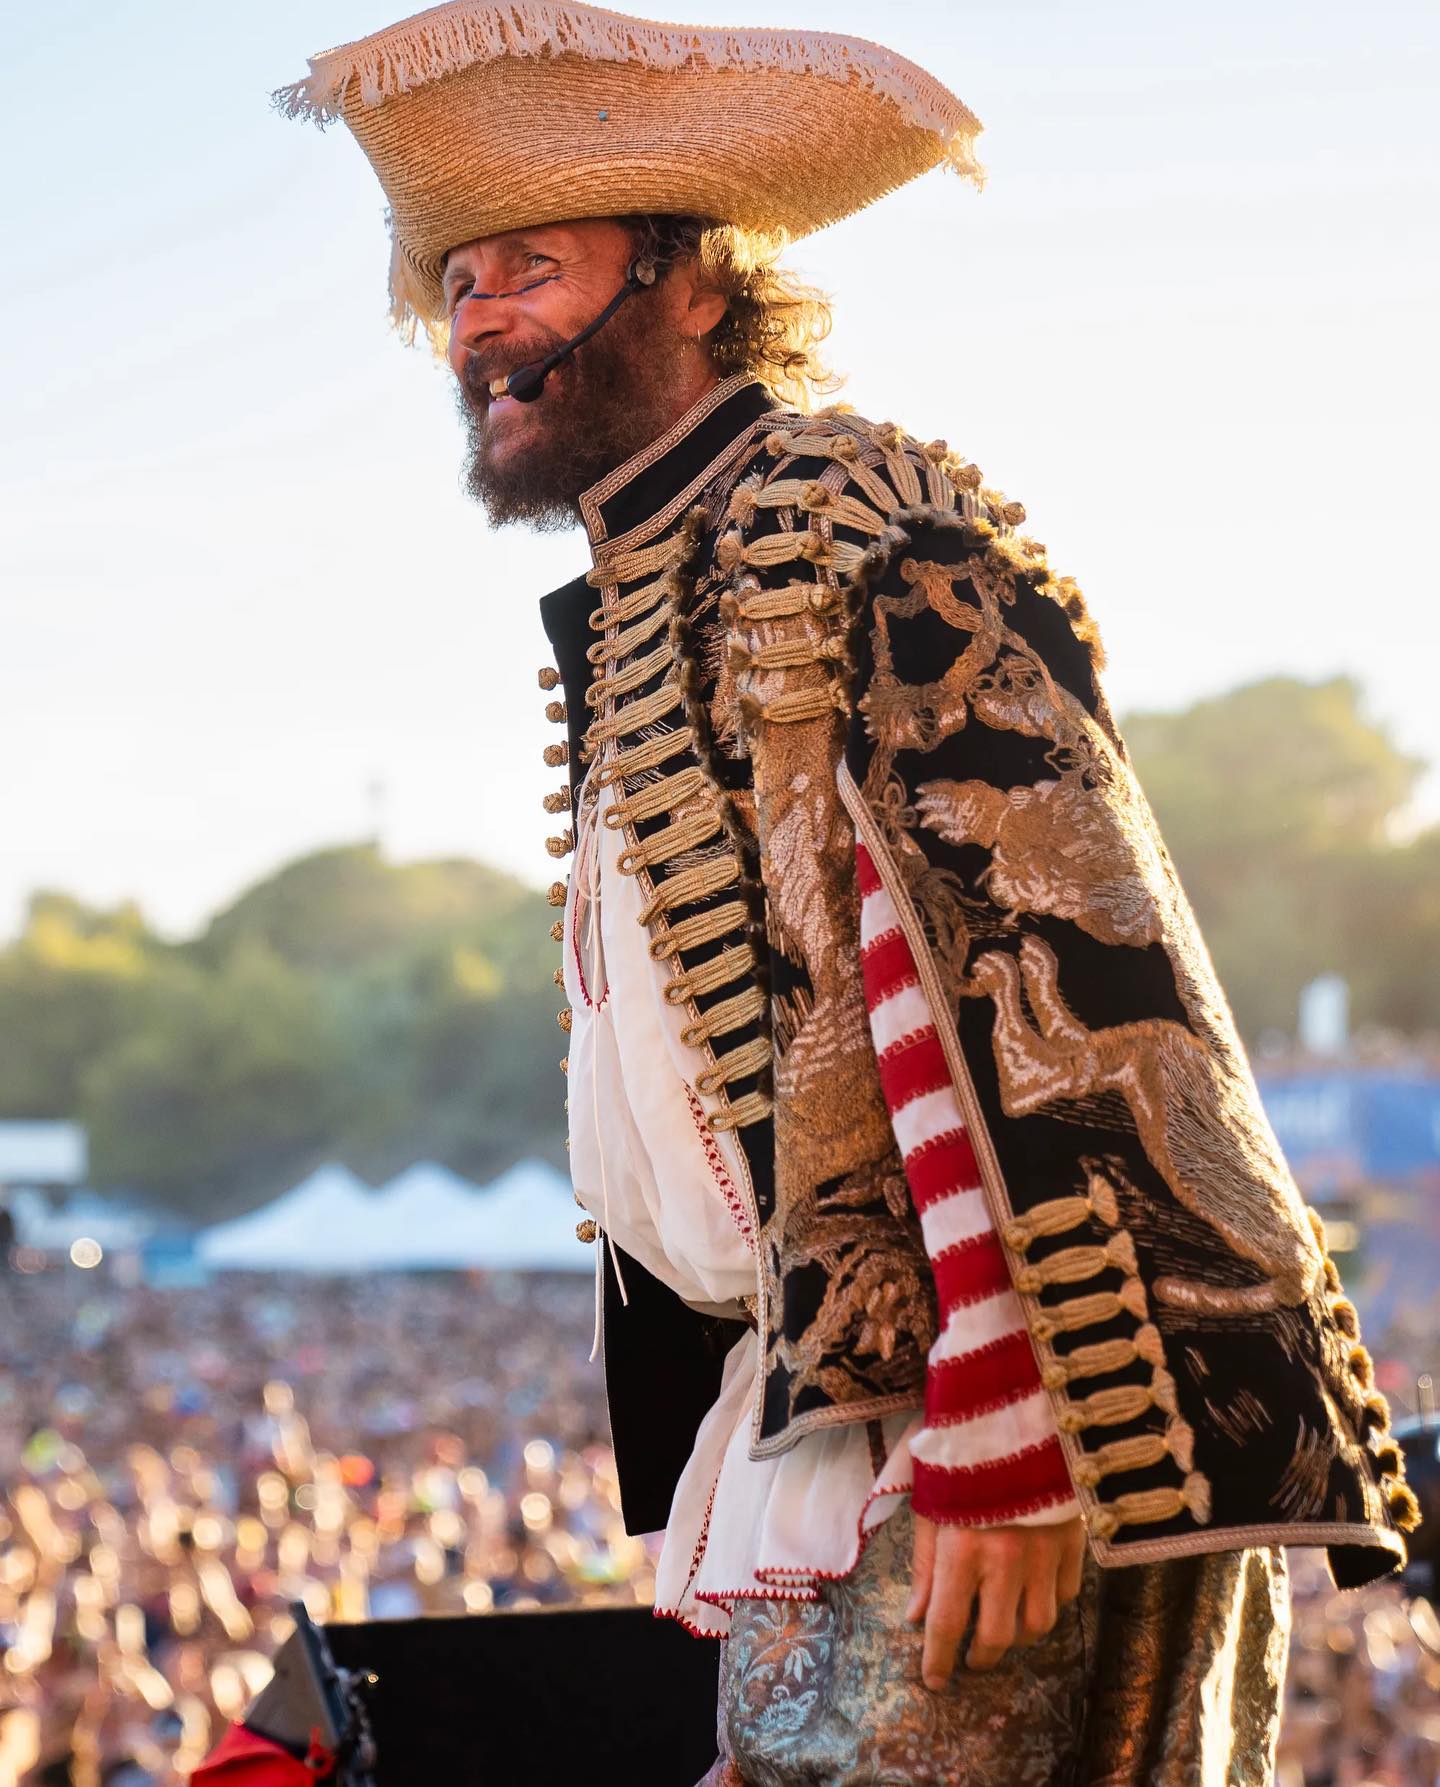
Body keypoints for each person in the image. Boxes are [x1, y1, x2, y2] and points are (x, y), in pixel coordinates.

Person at [277, 6, 1419, 1780]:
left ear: (694, 285)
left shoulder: (838, 514)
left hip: (991, 1405)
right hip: (856, 1400)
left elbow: (1029, 949)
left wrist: (1023, 1413)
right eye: (459, 278)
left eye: (532, 266)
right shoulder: (674, 556)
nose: (477, 315)